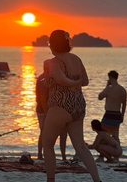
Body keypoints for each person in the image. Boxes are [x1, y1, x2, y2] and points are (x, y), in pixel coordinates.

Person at [42, 30, 101, 182]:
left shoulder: (54, 62)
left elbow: (61, 80)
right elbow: (86, 81)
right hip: (78, 104)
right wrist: (77, 81)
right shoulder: (76, 58)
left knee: (47, 144)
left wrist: (72, 82)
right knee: (80, 147)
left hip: (61, 104)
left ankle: (51, 179)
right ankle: (97, 180)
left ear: (53, 44)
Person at [36, 60, 68, 161]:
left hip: (55, 109)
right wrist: (47, 112)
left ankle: (63, 156)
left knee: (63, 132)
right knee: (44, 132)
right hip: (44, 110)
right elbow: (42, 98)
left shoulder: (53, 78)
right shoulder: (42, 79)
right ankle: (40, 155)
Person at [98, 70, 126, 162]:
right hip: (117, 114)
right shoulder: (122, 90)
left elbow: (100, 97)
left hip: (109, 114)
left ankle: (102, 156)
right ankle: (116, 156)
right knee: (115, 135)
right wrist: (122, 115)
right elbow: (124, 104)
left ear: (110, 78)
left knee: (103, 134)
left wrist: (106, 86)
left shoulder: (109, 89)